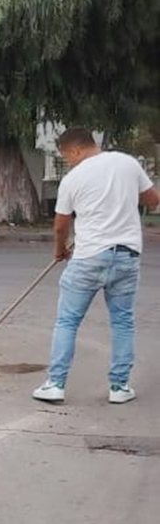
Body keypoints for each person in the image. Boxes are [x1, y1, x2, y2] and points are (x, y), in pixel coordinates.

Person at [33, 128, 159, 405]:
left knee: (67, 321)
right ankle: (119, 387)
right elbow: (152, 199)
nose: (69, 162)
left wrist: (59, 251)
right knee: (122, 321)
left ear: (75, 150)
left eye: (67, 157)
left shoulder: (73, 179)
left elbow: (61, 225)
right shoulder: (128, 163)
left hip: (89, 256)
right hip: (127, 256)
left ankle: (55, 384)